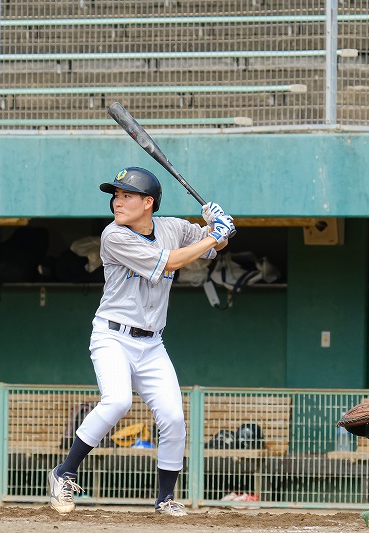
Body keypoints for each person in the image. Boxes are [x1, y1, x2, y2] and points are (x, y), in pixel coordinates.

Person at [47, 167, 235, 516]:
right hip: (112, 336)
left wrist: (217, 226)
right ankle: (64, 472)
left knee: (174, 419)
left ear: (148, 202)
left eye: (126, 195)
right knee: (117, 401)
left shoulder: (173, 228)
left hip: (152, 344)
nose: (117, 202)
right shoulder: (113, 236)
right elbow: (172, 262)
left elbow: (212, 246)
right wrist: (214, 237)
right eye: (116, 196)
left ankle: (165, 499)